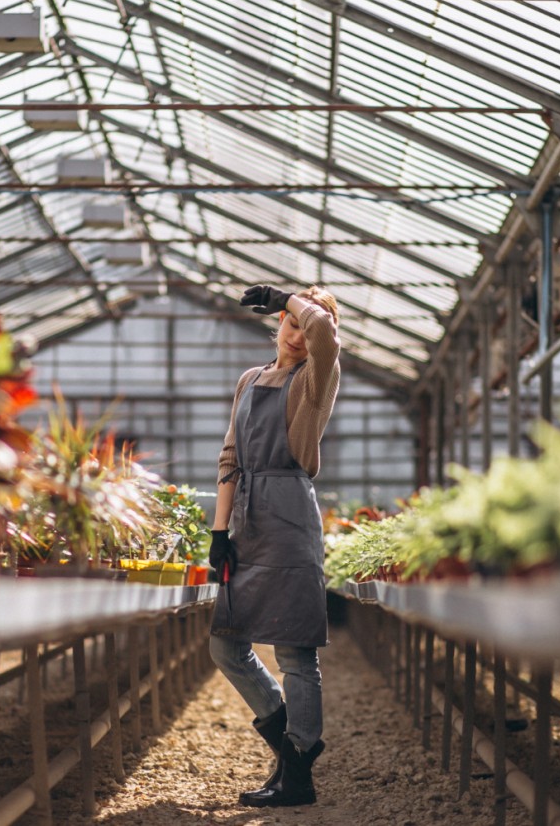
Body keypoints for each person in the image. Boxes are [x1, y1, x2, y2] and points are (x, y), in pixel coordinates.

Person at [208, 283, 340, 808]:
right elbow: (229, 459)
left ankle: (298, 768)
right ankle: (293, 745)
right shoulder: (249, 380)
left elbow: (324, 334)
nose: (297, 335)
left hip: (288, 515)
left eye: (302, 326)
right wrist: (219, 533)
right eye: (289, 322)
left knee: (293, 651)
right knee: (226, 642)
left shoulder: (316, 379)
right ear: (276, 325)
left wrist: (292, 297)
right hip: (246, 518)